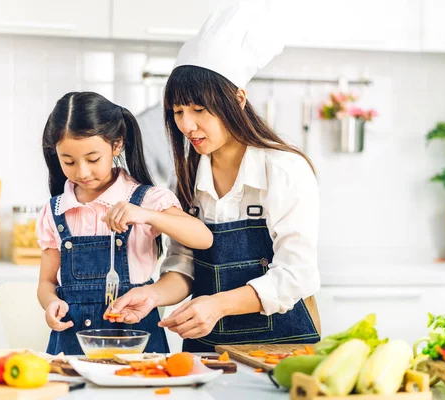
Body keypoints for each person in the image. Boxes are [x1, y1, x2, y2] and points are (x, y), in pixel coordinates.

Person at [106, 0, 322, 352]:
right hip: (205, 355)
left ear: (237, 98)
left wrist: (217, 305)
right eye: (177, 111)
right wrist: (151, 295)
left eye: (199, 109)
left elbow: (296, 276)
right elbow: (184, 265)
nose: (186, 125)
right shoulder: (190, 172)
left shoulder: (284, 170)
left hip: (279, 352)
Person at [36, 91, 213, 355]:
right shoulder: (56, 210)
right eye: (68, 161)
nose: (82, 172)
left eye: (93, 159)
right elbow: (46, 283)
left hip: (138, 343)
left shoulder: (147, 199)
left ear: (116, 145)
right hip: (73, 346)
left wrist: (146, 215)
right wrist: (51, 303)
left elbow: (203, 238)